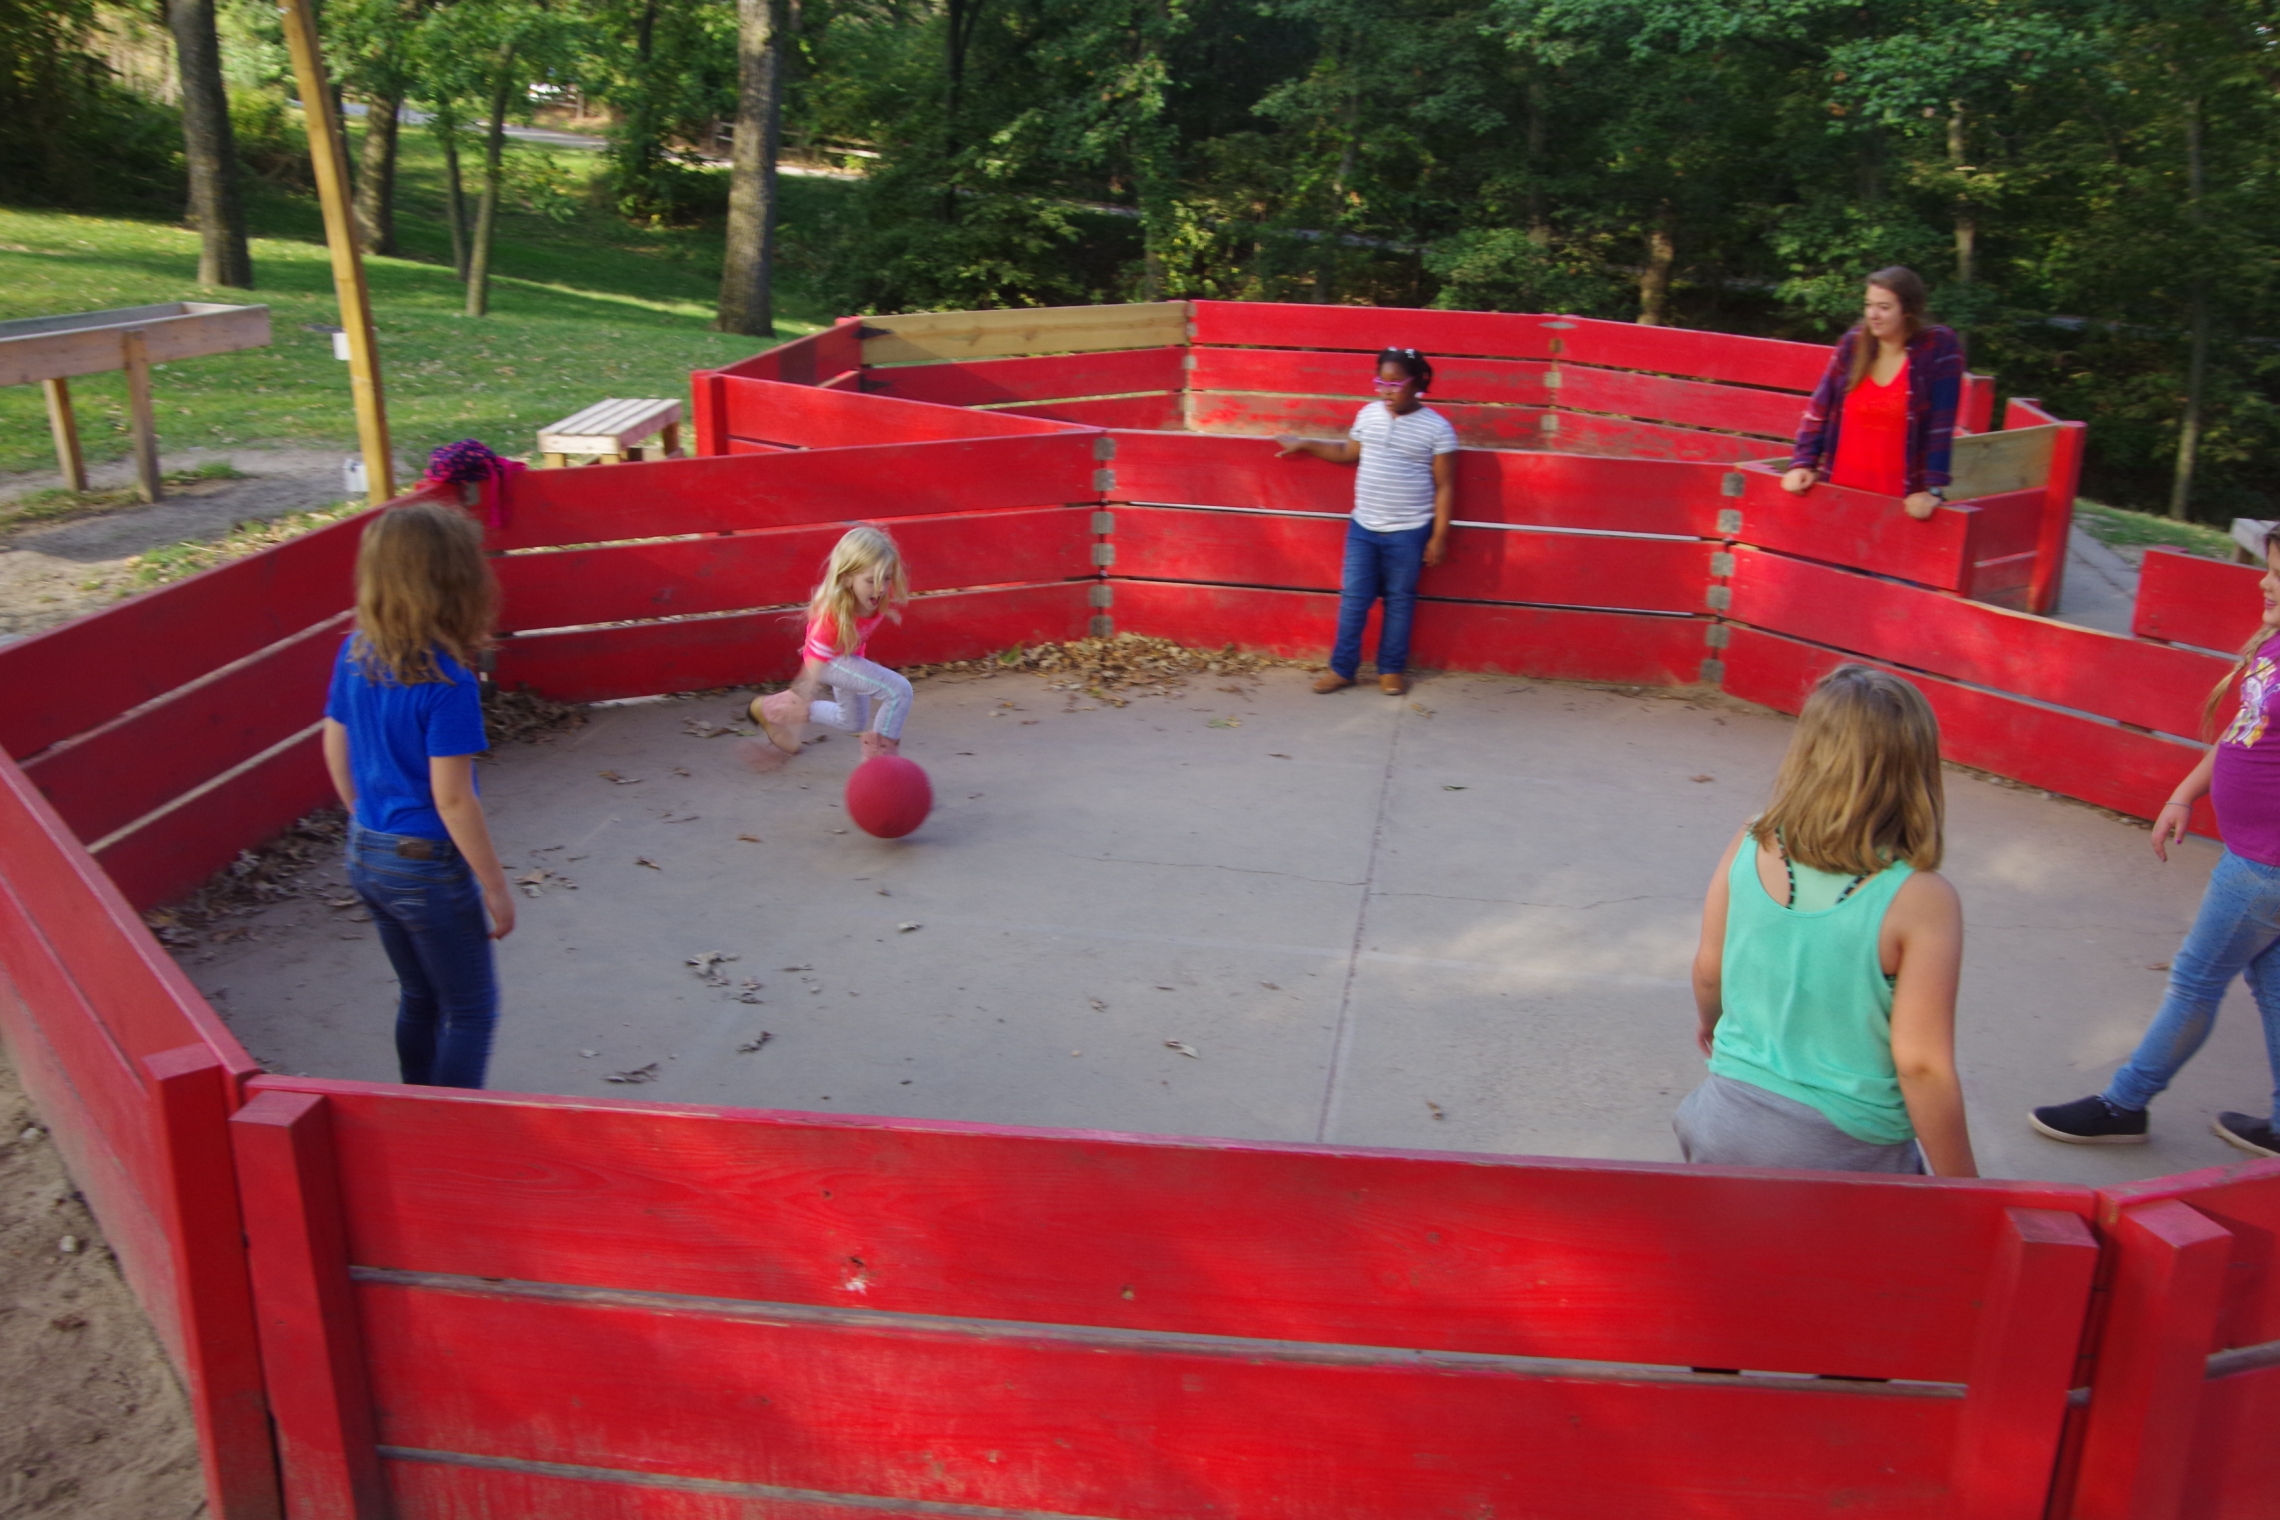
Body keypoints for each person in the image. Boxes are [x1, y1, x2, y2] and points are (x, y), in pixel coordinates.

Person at [2030, 532, 2280, 1158]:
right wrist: (2184, 793)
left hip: (2262, 867)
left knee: (2196, 980)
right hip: (2257, 858)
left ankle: (2124, 1104)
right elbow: (2237, 736)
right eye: (2270, 570)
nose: (2264, 583)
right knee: (2271, 984)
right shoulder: (2273, 650)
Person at [1677, 665, 1977, 1177]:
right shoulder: (1921, 899)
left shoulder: (1753, 840)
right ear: (1917, 770)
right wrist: (1967, 1190)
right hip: (1841, 1151)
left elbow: (1709, 970)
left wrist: (1712, 1021)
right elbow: (1921, 1066)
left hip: (1719, 1119)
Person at [321, 500, 513, 1090]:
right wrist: (495, 886)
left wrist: (361, 813)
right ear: (454, 582)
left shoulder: (355, 653)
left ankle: (418, 1104)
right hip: (424, 866)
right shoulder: (448, 681)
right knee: (471, 1011)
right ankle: (451, 1129)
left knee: (419, 996)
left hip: (367, 852)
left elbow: (333, 742)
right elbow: (453, 801)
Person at [1275, 347, 1457, 697]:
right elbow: (1347, 453)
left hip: (1408, 531)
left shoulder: (1437, 429)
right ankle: (1342, 668)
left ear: (1417, 383)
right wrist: (1306, 444)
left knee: (1399, 600)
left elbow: (1445, 485)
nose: (1386, 390)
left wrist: (1439, 537)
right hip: (1363, 528)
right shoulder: (1368, 415)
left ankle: (1391, 670)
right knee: (1354, 599)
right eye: (1380, 382)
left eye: (1395, 383)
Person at [1782, 266, 1965, 522]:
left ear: (1908, 310)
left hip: (1899, 502)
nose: (1873, 315)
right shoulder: (1854, 344)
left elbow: (1940, 424)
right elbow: (1820, 409)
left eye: (1884, 307)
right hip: (1837, 494)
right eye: (1869, 305)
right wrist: (1803, 463)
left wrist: (1932, 489)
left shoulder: (1938, 347)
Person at [753, 525, 914, 759]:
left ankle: (772, 711)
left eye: (886, 578)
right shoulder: (833, 613)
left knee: (851, 721)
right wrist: (802, 692)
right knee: (899, 690)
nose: (880, 588)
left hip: (848, 658)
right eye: (871, 580)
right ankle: (880, 761)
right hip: (826, 661)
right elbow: (816, 660)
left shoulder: (874, 597)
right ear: (847, 578)